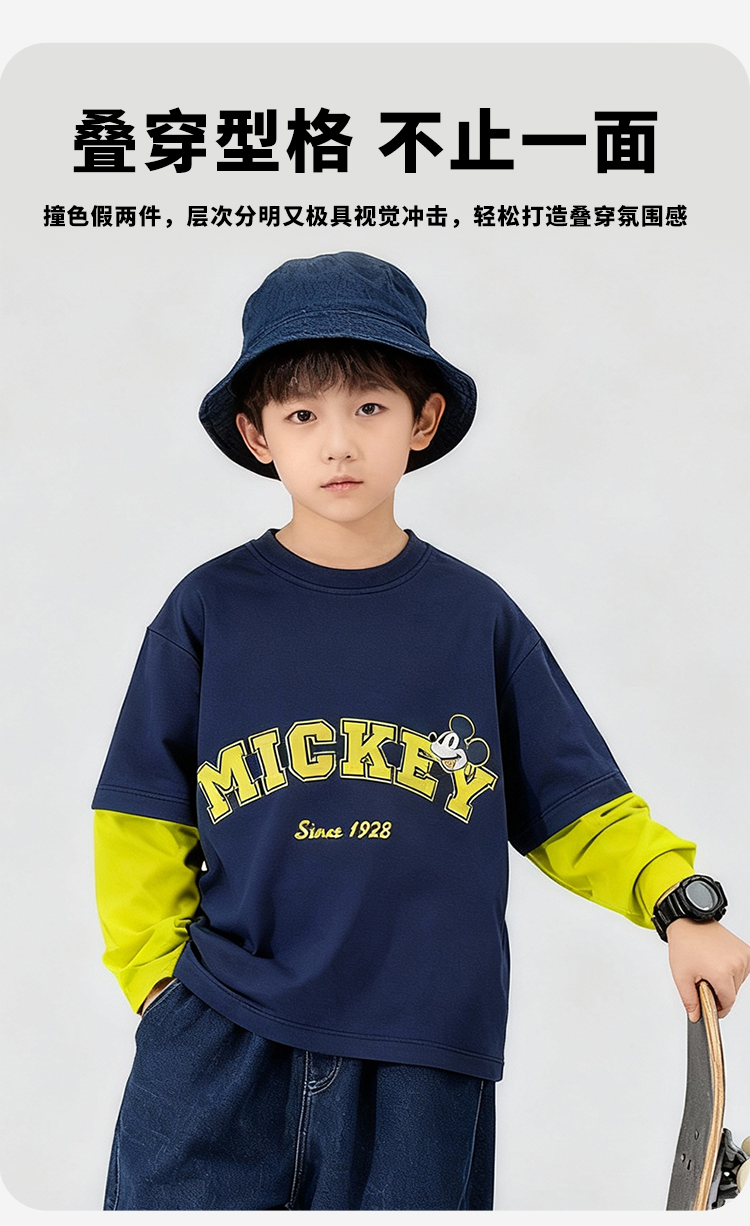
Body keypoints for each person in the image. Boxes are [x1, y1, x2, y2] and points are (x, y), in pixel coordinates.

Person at [93, 251, 750, 1211]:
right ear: (257, 433)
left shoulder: (472, 619)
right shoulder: (208, 611)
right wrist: (160, 990)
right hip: (222, 1037)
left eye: (369, 407)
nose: (338, 443)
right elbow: (140, 811)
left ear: (423, 420)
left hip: (421, 1061)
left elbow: (578, 805)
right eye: (302, 415)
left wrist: (678, 903)